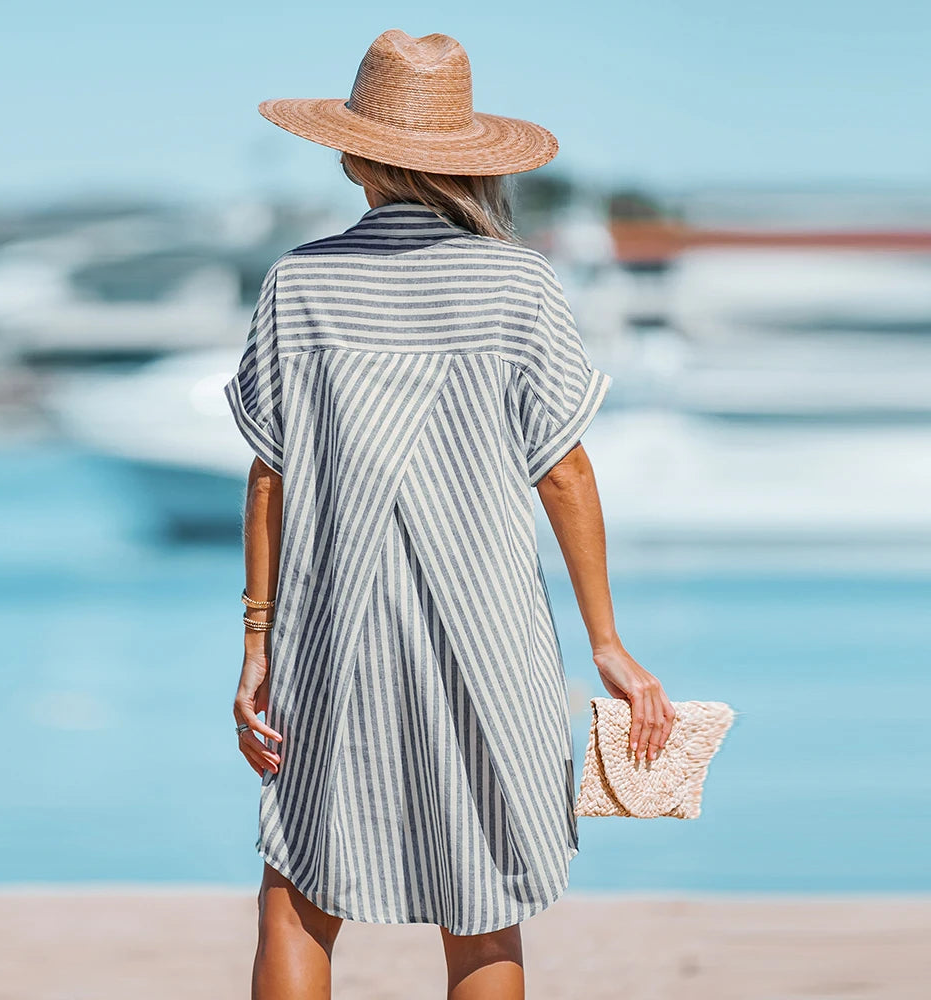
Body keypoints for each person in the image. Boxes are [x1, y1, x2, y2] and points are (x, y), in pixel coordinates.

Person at [225, 28, 675, 1000]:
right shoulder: (520, 282)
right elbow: (563, 473)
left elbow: (271, 475)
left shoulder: (299, 282)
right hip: (492, 635)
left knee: (297, 892)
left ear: (350, 155)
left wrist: (257, 642)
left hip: (331, 634)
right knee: (481, 914)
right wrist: (607, 643)